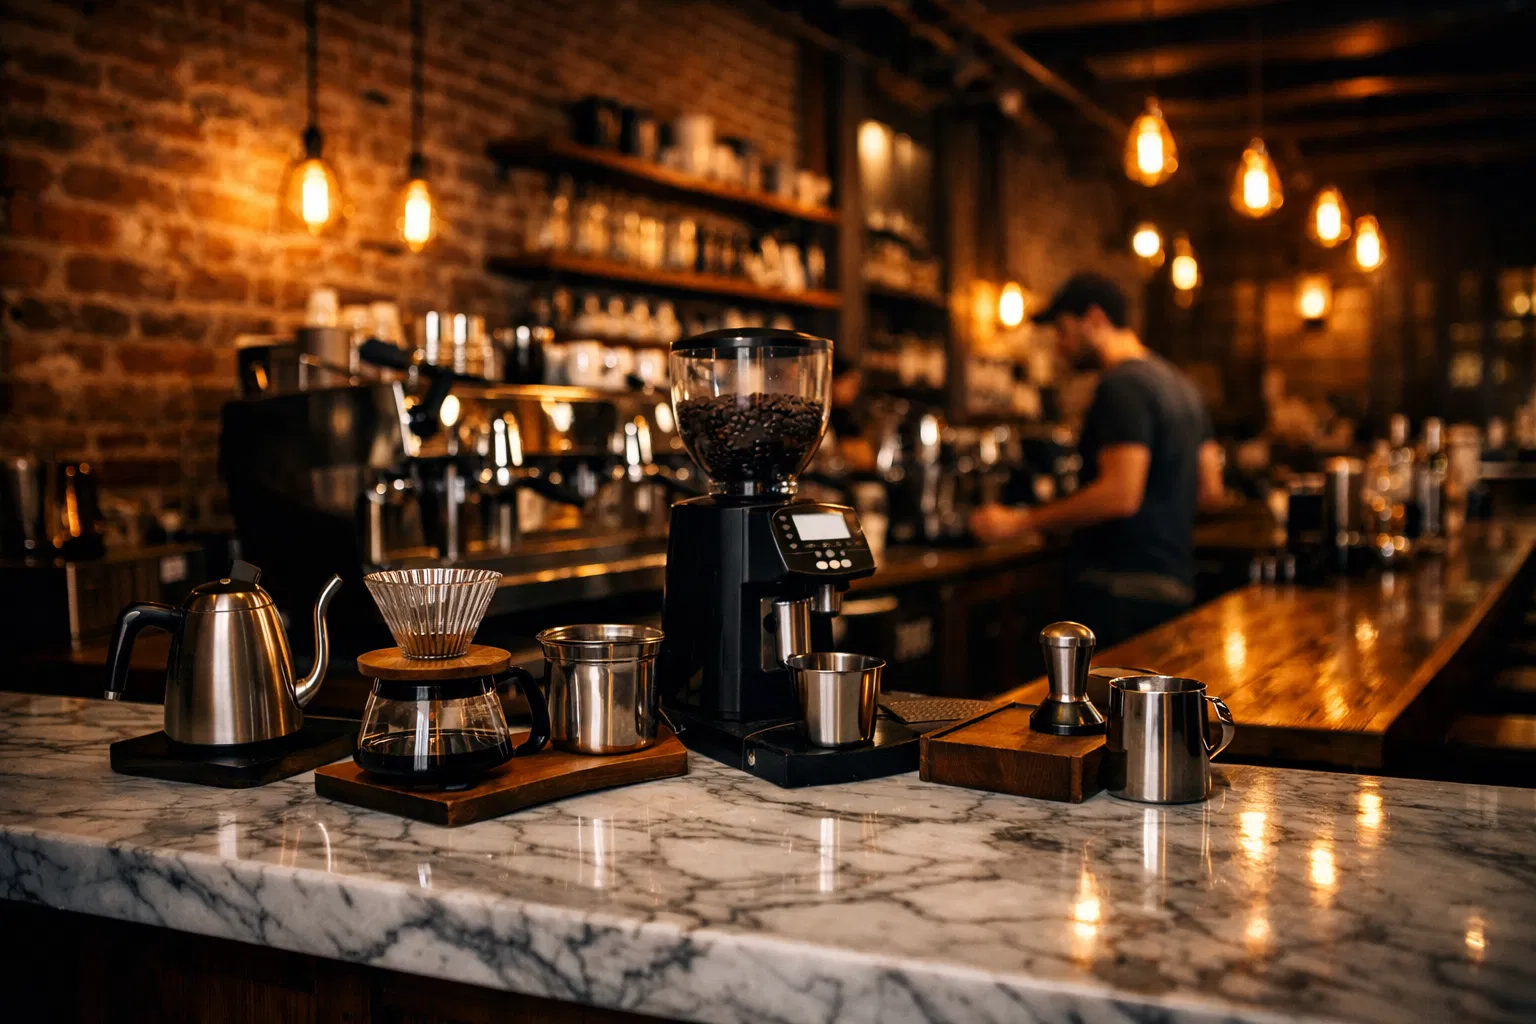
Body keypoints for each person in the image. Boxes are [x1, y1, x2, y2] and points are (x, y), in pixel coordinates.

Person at [969, 273, 1225, 648]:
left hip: (1119, 588)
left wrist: (1018, 522)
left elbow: (1120, 494)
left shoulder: (1121, 386)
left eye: (1063, 330)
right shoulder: (1181, 387)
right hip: (1174, 585)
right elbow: (1211, 491)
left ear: (1094, 319)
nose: (1060, 346)